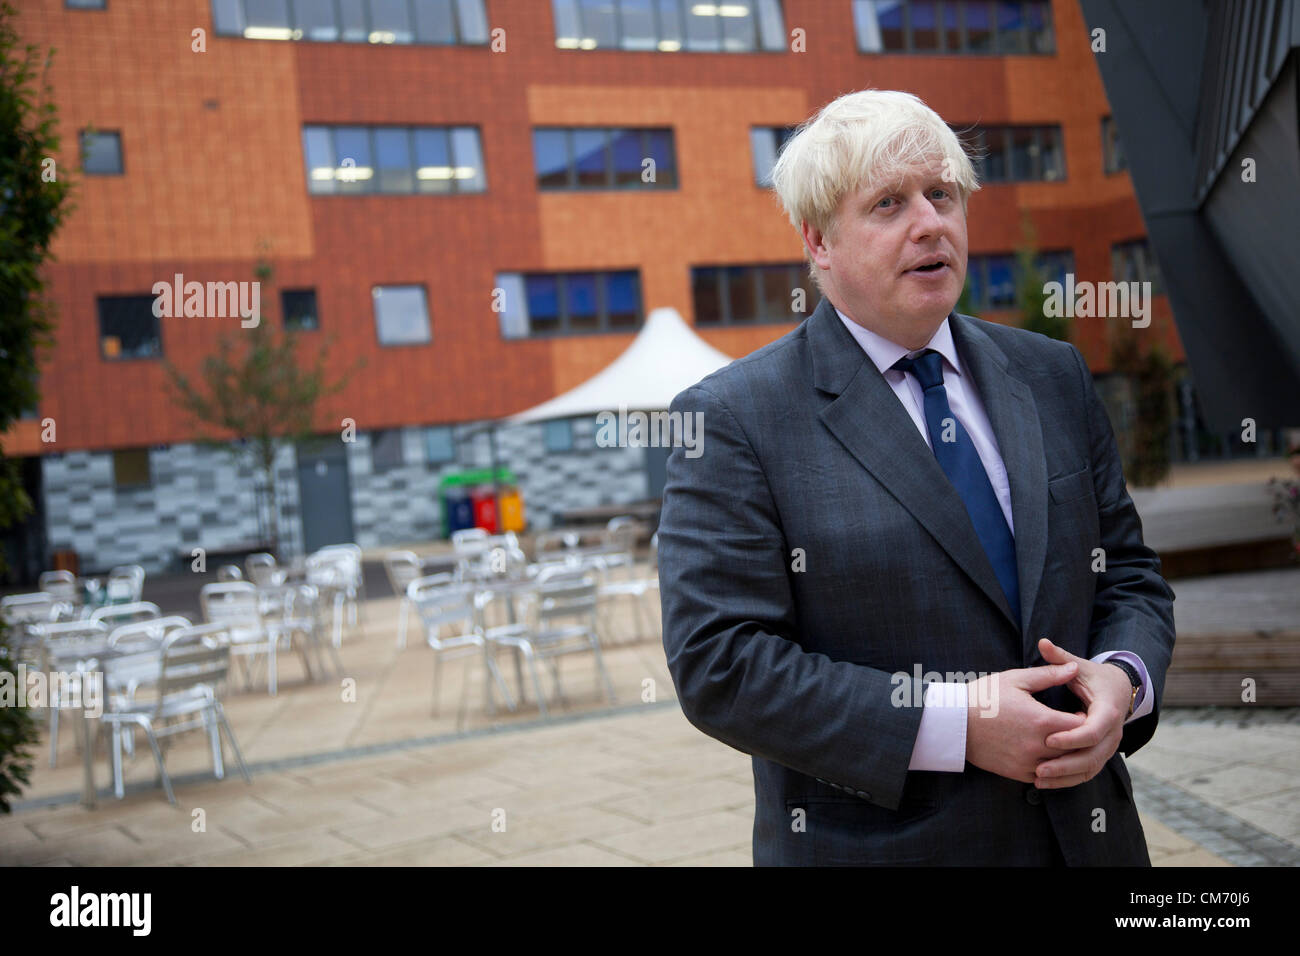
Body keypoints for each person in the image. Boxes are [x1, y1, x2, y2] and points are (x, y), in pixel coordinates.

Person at [657, 89, 1176, 866]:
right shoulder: (735, 418)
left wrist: (1123, 681)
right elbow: (722, 664)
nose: (929, 221)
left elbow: (1128, 575)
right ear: (819, 242)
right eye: (890, 203)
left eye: (942, 194)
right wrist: (955, 721)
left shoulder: (1051, 373)